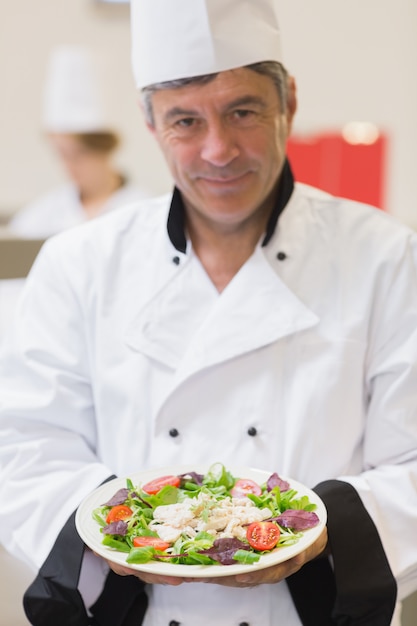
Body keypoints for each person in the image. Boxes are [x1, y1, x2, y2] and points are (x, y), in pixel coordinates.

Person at [0, 1, 416, 625]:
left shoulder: (388, 258)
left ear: (289, 103)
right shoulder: (77, 264)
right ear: (150, 125)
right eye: (185, 121)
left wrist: (318, 533)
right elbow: (25, 446)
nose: (218, 150)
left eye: (242, 111)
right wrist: (119, 534)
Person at [0, 45, 151, 340]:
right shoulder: (42, 214)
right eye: (61, 154)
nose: (69, 166)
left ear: (104, 149)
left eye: (78, 154)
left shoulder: (142, 210)